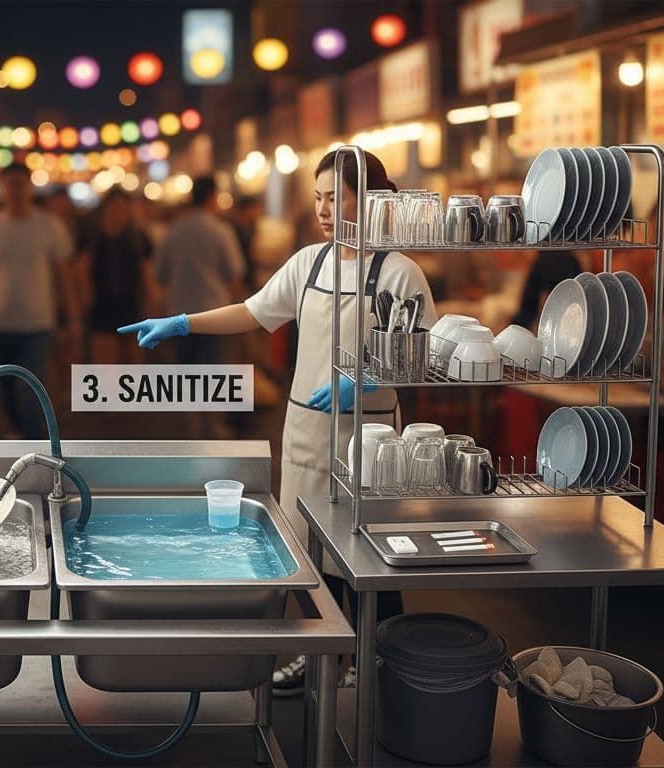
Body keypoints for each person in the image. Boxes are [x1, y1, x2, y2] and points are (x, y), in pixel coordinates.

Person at [120, 150, 437, 695]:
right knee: (308, 553)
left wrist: (362, 380)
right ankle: (320, 657)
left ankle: (376, 659)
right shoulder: (309, 262)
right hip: (305, 434)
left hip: (370, 439)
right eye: (318, 198)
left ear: (371, 199)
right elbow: (252, 311)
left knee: (368, 556)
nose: (323, 209)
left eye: (336, 197)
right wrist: (182, 323)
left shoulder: (399, 271)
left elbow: (424, 355)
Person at [0, 165, 77, 438]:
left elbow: (64, 275)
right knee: (4, 387)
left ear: (30, 187)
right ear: (2, 189)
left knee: (31, 389)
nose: (15, 191)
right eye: (10, 185)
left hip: (38, 322)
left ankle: (32, 443)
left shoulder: (49, 225)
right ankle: (16, 430)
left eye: (20, 184)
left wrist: (73, 316)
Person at [153, 177, 246, 368]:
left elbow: (160, 274)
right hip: (214, 314)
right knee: (211, 371)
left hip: (179, 313)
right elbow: (235, 274)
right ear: (212, 197)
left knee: (185, 370)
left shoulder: (173, 231)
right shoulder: (220, 231)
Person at [83, 187, 153, 364]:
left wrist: (151, 302)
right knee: (106, 367)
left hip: (131, 306)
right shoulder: (92, 237)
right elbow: (82, 271)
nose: (118, 212)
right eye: (113, 207)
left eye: (122, 207)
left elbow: (147, 275)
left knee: (133, 365)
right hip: (102, 308)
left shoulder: (138, 239)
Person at [511, 250, 582, 329]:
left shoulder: (540, 263)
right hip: (572, 319)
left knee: (526, 313)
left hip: (547, 260)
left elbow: (528, 309)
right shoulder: (572, 261)